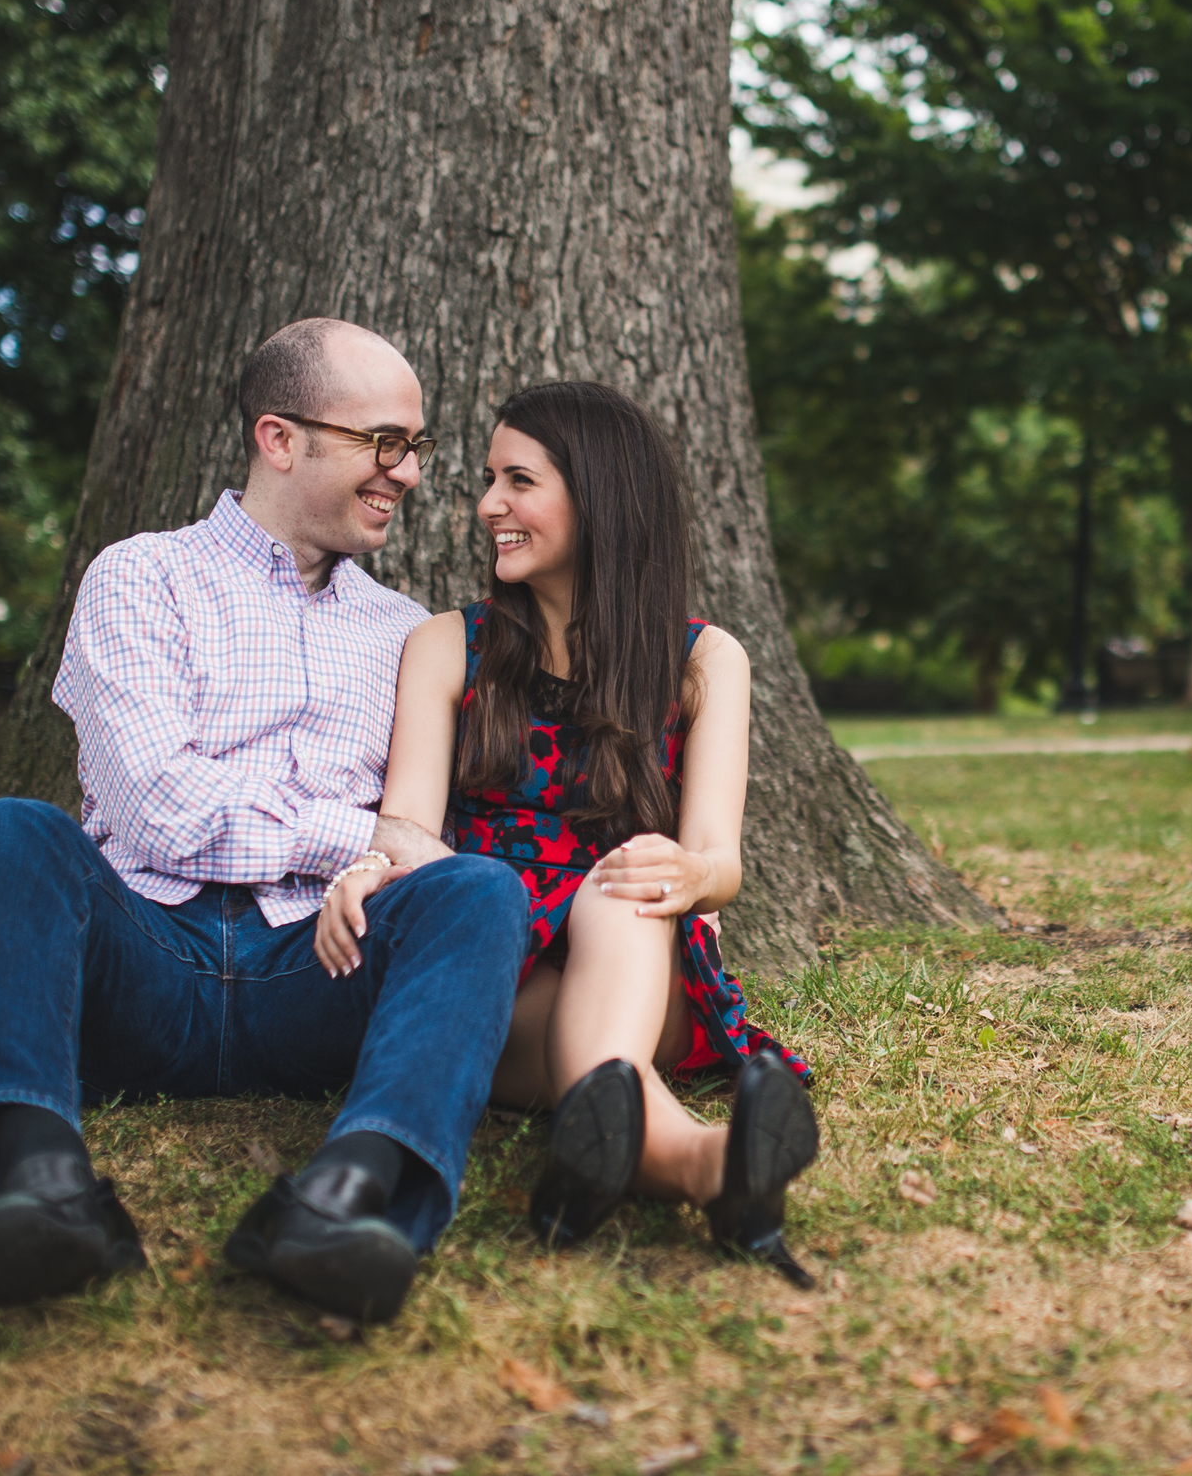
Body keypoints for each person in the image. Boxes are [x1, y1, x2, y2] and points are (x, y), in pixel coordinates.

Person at [0, 318, 529, 1323]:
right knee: (13, 831)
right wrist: (360, 836)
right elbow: (160, 810)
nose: (408, 472)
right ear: (279, 438)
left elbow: (428, 849)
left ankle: (347, 1197)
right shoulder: (139, 577)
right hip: (139, 963)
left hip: (317, 970)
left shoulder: (408, 631)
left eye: (413, 446)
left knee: (479, 889)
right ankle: (38, 1182)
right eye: (383, 442)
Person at [318, 382, 820, 1287]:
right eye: (488, 479)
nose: (487, 506)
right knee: (592, 1045)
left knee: (622, 888)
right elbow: (406, 824)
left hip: (635, 956)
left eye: (519, 481)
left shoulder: (704, 660)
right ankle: (712, 1165)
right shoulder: (447, 645)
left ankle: (605, 1153)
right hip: (491, 971)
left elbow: (721, 861)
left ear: (599, 498)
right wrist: (372, 866)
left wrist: (683, 867)